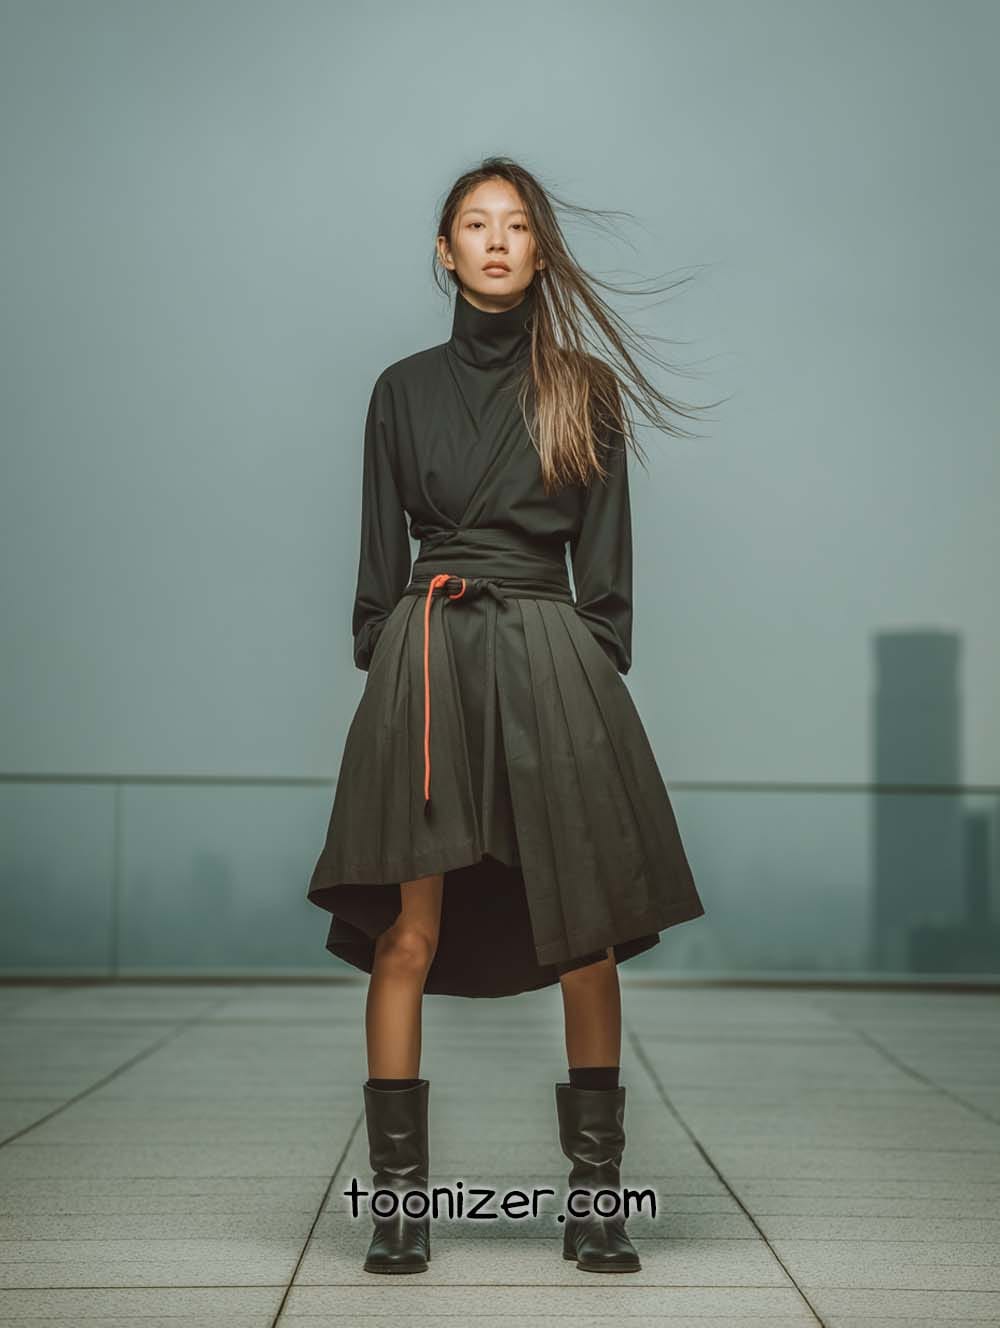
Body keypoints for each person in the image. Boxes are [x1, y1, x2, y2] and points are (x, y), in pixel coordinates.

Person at [307, 156, 708, 1276]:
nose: (496, 240)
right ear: (444, 252)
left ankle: (596, 1203)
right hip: (431, 655)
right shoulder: (398, 389)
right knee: (408, 931)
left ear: (539, 252)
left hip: (549, 652)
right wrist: (389, 651)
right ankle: (399, 1209)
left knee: (586, 933)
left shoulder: (584, 388)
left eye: (517, 225)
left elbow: (608, 577)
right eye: (475, 225)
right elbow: (375, 566)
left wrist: (586, 662)